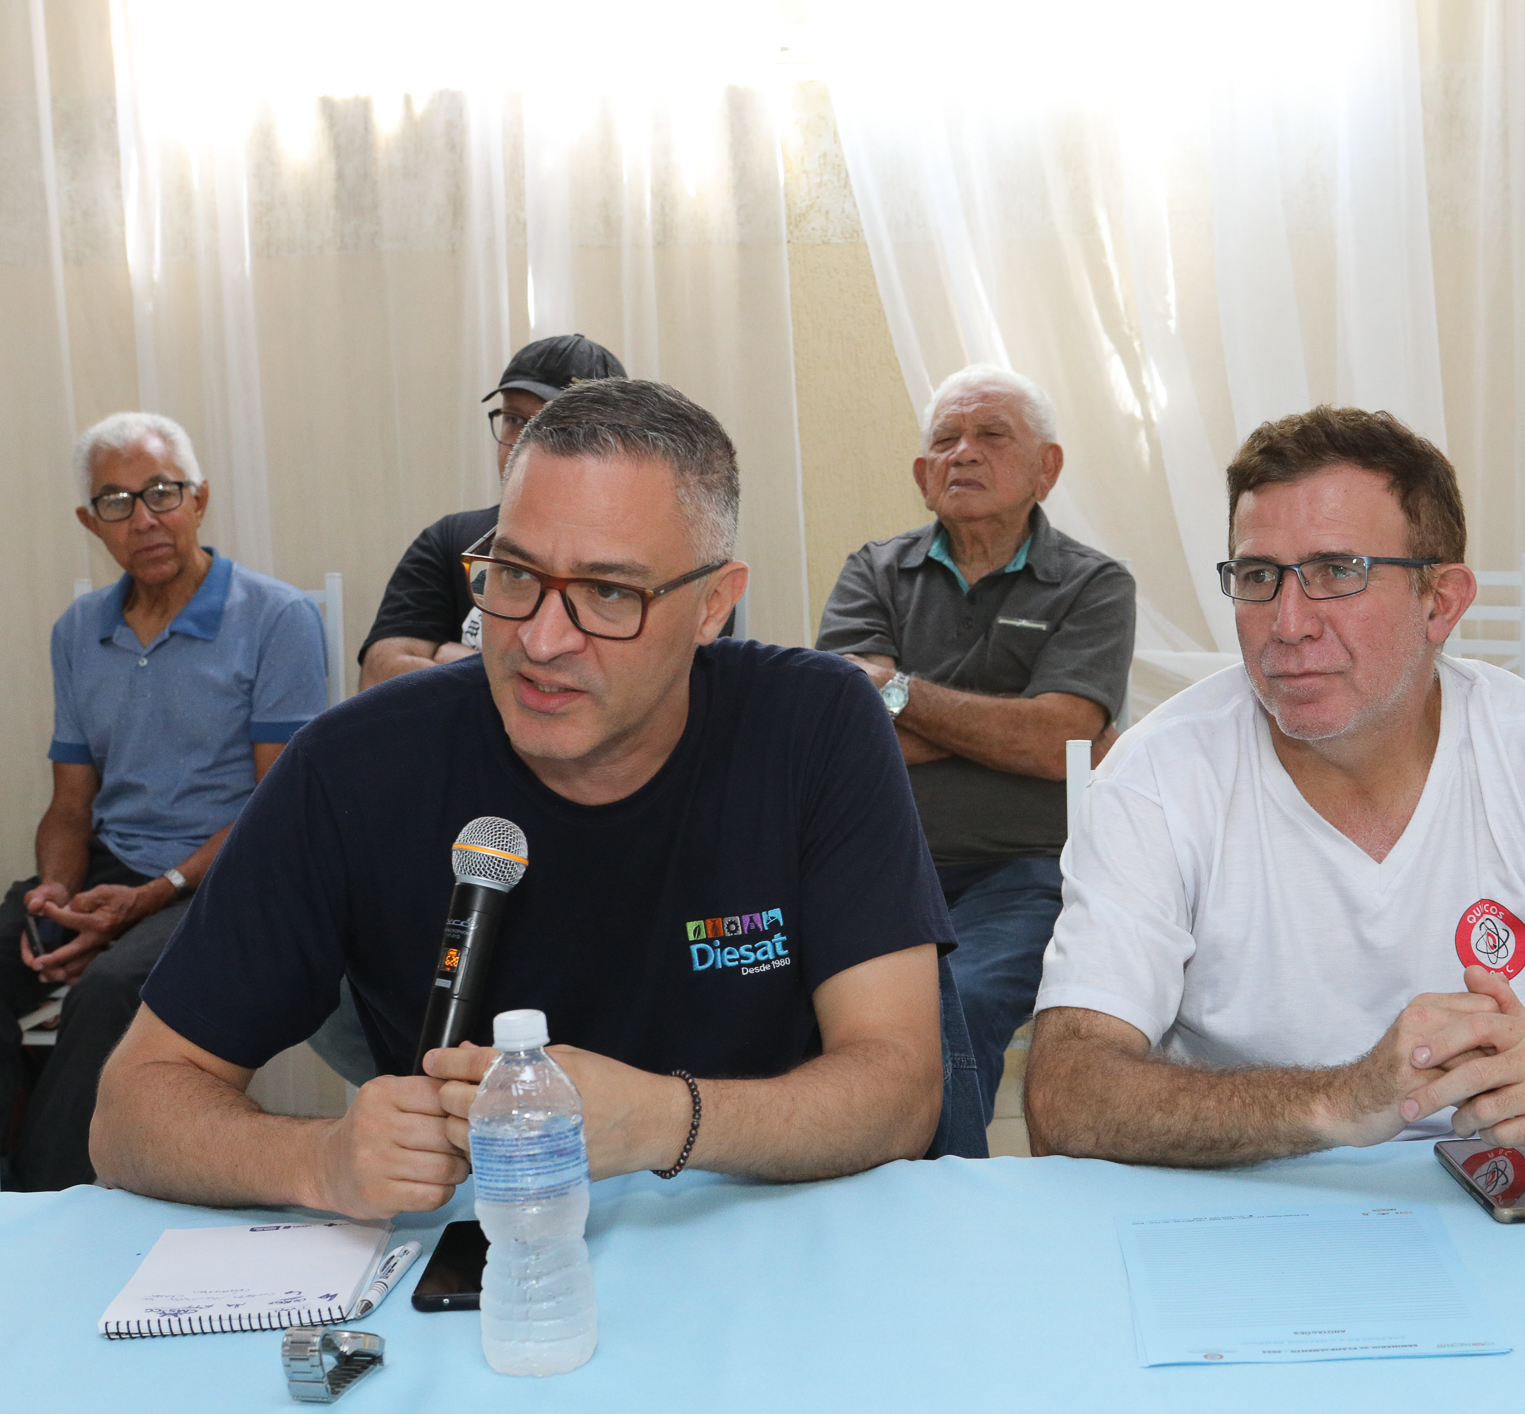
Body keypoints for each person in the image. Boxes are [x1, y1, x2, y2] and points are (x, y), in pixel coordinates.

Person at [92, 379, 967, 1219]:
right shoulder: (354, 763)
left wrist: (663, 1120)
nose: (542, 642)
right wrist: (318, 1160)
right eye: (514, 577)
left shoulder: (813, 725)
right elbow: (130, 1113)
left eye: (608, 592)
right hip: (496, 1262)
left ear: (713, 606)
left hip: (774, 1236)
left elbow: (897, 1092)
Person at [1024, 406, 1525, 1167]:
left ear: (1440, 601)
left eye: (1336, 571)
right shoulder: (1157, 775)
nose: (1288, 621)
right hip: (1242, 1215)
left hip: (1520, 1212)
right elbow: (1066, 1093)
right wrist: (1339, 1103)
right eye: (1260, 575)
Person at [0, 413, 326, 1190]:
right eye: (116, 502)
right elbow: (70, 807)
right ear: (92, 523)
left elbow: (277, 811)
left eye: (161, 493)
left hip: (221, 876)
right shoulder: (79, 630)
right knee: (16, 939)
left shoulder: (277, 618)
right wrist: (55, 890)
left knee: (112, 990)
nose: (143, 518)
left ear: (199, 499)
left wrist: (153, 895)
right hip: (111, 868)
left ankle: (49, 1206)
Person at [817, 365, 1135, 1122]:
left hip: (1022, 872)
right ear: (923, 475)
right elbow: (843, 738)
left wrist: (896, 691)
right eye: (946, 441)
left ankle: (936, 1195)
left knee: (961, 1002)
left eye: (991, 436)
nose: (964, 453)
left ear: (1045, 468)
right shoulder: (873, 570)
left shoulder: (1092, 585)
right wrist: (1013, 729)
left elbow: (1058, 736)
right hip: (881, 861)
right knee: (811, 999)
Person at [357, 334, 625, 691]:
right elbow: (378, 680)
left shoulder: (633, 556)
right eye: (514, 420)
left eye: (554, 426)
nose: (524, 444)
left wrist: (452, 658)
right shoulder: (450, 540)